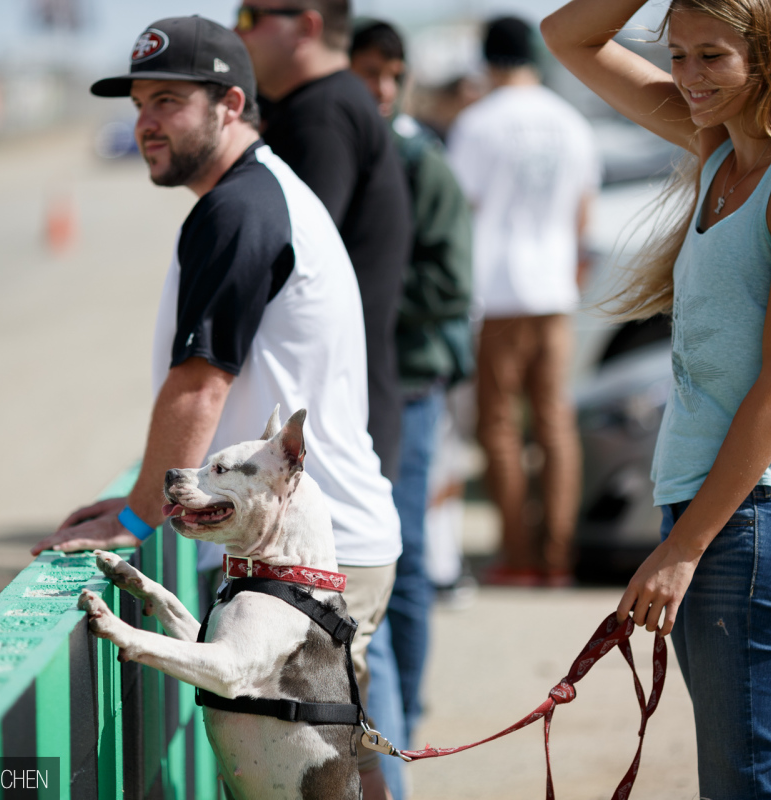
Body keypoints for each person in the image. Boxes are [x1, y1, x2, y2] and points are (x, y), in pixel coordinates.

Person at [28, 18, 402, 796]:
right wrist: (135, 503)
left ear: (231, 103)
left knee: (308, 781)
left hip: (306, 555)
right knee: (333, 776)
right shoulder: (256, 195)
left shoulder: (239, 210)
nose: (146, 123)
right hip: (318, 541)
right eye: (138, 104)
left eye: (168, 101)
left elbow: (200, 385)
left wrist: (136, 518)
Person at [542, 0, 771, 796]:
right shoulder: (720, 149)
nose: (688, 77)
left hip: (754, 516)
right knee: (757, 772)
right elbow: (567, 37)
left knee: (747, 778)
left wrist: (682, 551)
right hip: (718, 509)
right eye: (677, 55)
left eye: (711, 56)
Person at [349, 18, 475, 795]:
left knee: (407, 561)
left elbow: (451, 285)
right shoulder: (346, 150)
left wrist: (358, 304)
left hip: (413, 384)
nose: (381, 89)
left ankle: (403, 728)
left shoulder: (418, 161)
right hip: (363, 387)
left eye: (393, 75)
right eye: (369, 71)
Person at [446, 16, 599, 587]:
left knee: (501, 428)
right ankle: (558, 558)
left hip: (498, 292)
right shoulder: (570, 121)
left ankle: (519, 556)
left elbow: (462, 212)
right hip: (556, 292)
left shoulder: (478, 123)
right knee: (556, 425)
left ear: (488, 60)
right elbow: (585, 215)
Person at [234, 0, 412, 484]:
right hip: (337, 416)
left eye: (251, 17)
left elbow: (288, 259)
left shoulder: (321, 114)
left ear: (306, 26)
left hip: (330, 433)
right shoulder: (325, 104)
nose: (237, 28)